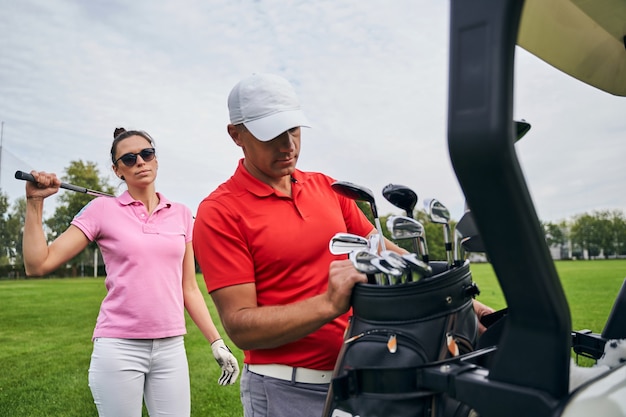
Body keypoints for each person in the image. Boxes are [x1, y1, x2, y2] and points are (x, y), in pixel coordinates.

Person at [192, 73, 494, 417]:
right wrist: (327, 304)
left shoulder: (328, 189)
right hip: (284, 389)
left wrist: (458, 301)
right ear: (236, 134)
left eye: (293, 130)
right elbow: (240, 326)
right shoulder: (220, 211)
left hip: (359, 375)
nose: (287, 145)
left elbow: (386, 253)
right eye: (271, 134)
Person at [22, 128, 240, 417]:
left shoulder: (181, 214)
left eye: (146, 153)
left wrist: (216, 341)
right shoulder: (101, 210)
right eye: (129, 158)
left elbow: (188, 287)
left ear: (156, 160)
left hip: (171, 348)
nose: (140, 161)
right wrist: (35, 203)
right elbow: (38, 264)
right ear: (117, 170)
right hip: (119, 348)